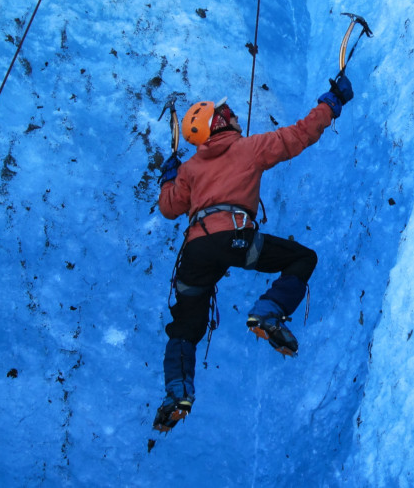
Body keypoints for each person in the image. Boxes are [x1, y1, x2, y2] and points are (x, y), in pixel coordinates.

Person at [151, 74, 354, 432]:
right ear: (217, 123)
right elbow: (299, 135)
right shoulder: (249, 148)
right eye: (224, 112)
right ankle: (267, 313)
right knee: (302, 258)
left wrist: (169, 178)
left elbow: (170, 207)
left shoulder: (191, 169)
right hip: (235, 239)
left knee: (185, 327)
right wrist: (330, 104)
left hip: (195, 252)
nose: (230, 114)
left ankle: (177, 393)